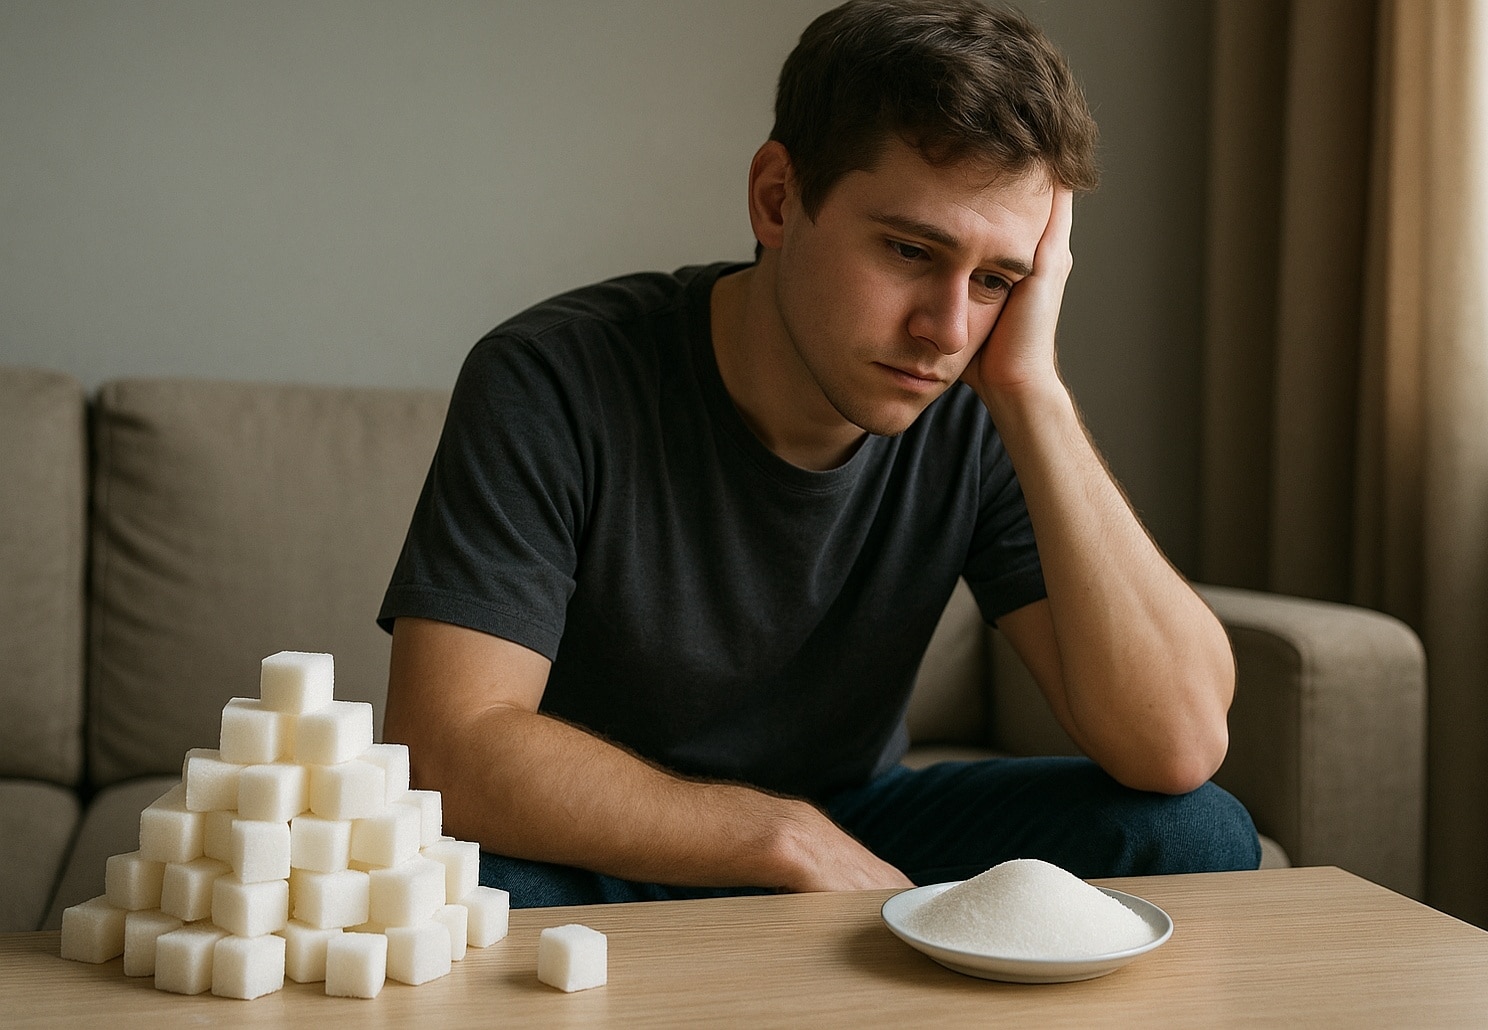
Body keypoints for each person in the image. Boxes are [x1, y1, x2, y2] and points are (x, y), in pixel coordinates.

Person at [378, 0, 1261, 907]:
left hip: (858, 824)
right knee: (456, 893)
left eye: (997, 279)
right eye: (912, 250)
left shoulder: (977, 402)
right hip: (599, 842)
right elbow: (449, 742)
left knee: (1193, 831)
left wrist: (1033, 391)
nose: (946, 330)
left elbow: (1178, 747)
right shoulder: (551, 378)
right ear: (777, 199)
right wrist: (776, 837)